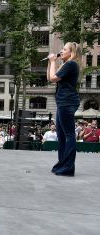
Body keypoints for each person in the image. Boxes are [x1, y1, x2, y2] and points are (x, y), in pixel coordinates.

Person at [47, 42, 82, 176]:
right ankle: (62, 165)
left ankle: (68, 168)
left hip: (67, 102)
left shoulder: (71, 64)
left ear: (71, 52)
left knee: (68, 135)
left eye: (64, 49)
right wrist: (50, 63)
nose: (61, 51)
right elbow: (49, 76)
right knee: (61, 136)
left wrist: (52, 61)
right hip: (62, 102)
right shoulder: (66, 65)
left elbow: (53, 78)